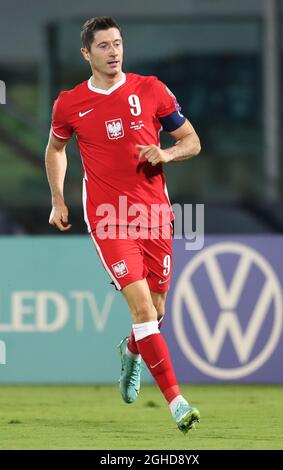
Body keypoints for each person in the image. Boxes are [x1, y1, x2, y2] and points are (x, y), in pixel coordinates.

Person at [45, 16, 201, 434]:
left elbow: (191, 140)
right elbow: (56, 149)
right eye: (104, 46)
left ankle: (132, 350)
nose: (114, 52)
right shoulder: (70, 103)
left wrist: (167, 155)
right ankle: (177, 403)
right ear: (87, 53)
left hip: (154, 216)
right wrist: (58, 199)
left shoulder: (151, 89)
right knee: (143, 308)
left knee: (157, 309)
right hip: (109, 221)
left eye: (118, 43)